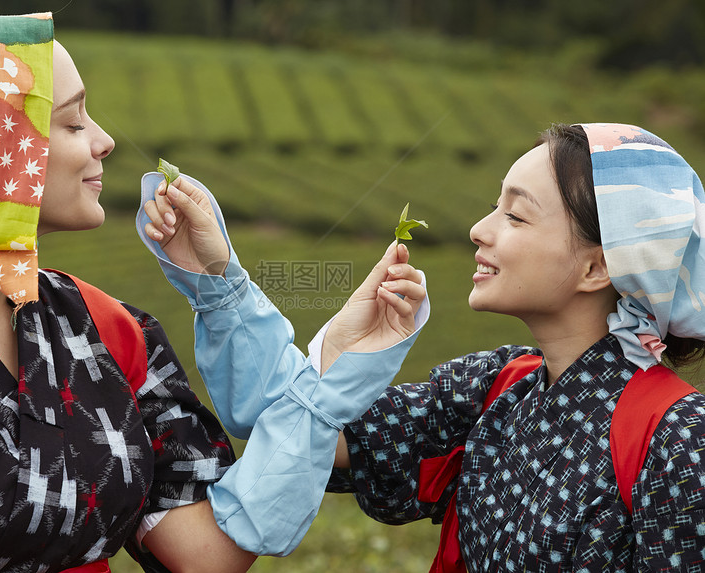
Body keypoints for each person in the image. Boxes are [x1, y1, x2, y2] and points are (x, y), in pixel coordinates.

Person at [0, 13, 428, 572]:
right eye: (73, 122)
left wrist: (322, 377)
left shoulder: (110, 331)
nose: (104, 142)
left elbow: (204, 554)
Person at [144, 121, 705, 571]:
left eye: (515, 215)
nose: (479, 230)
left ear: (597, 266)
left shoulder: (680, 440)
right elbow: (305, 428)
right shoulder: (496, 386)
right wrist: (222, 281)